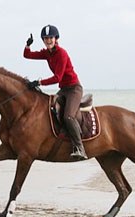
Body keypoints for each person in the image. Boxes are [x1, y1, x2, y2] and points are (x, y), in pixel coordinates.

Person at [23, 24, 88, 160]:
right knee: (49, 109)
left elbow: (57, 77)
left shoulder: (62, 53)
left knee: (68, 116)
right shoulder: (47, 53)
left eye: (50, 38)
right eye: (46, 38)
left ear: (56, 38)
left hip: (74, 89)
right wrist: (28, 45)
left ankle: (79, 148)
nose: (48, 41)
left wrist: (39, 82)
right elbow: (27, 55)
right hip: (64, 89)